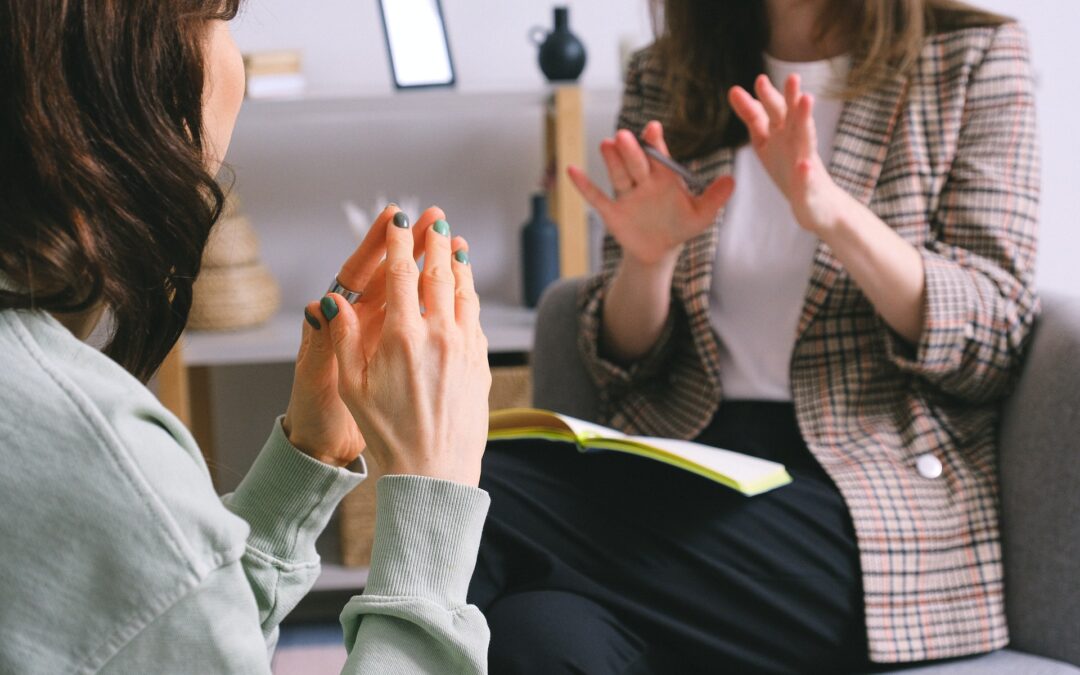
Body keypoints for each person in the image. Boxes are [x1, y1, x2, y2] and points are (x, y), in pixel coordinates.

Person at [468, 0, 1039, 672]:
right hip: (681, 472)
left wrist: (832, 214)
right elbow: (622, 362)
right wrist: (650, 261)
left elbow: (995, 337)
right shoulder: (669, 71)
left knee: (476, 488)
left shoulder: (970, 56)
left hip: (866, 510)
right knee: (535, 635)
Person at [0, 2, 492, 673]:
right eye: (219, 17)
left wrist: (307, 458)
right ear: (112, 61)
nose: (240, 70)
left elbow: (156, 636)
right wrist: (433, 494)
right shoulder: (102, 453)